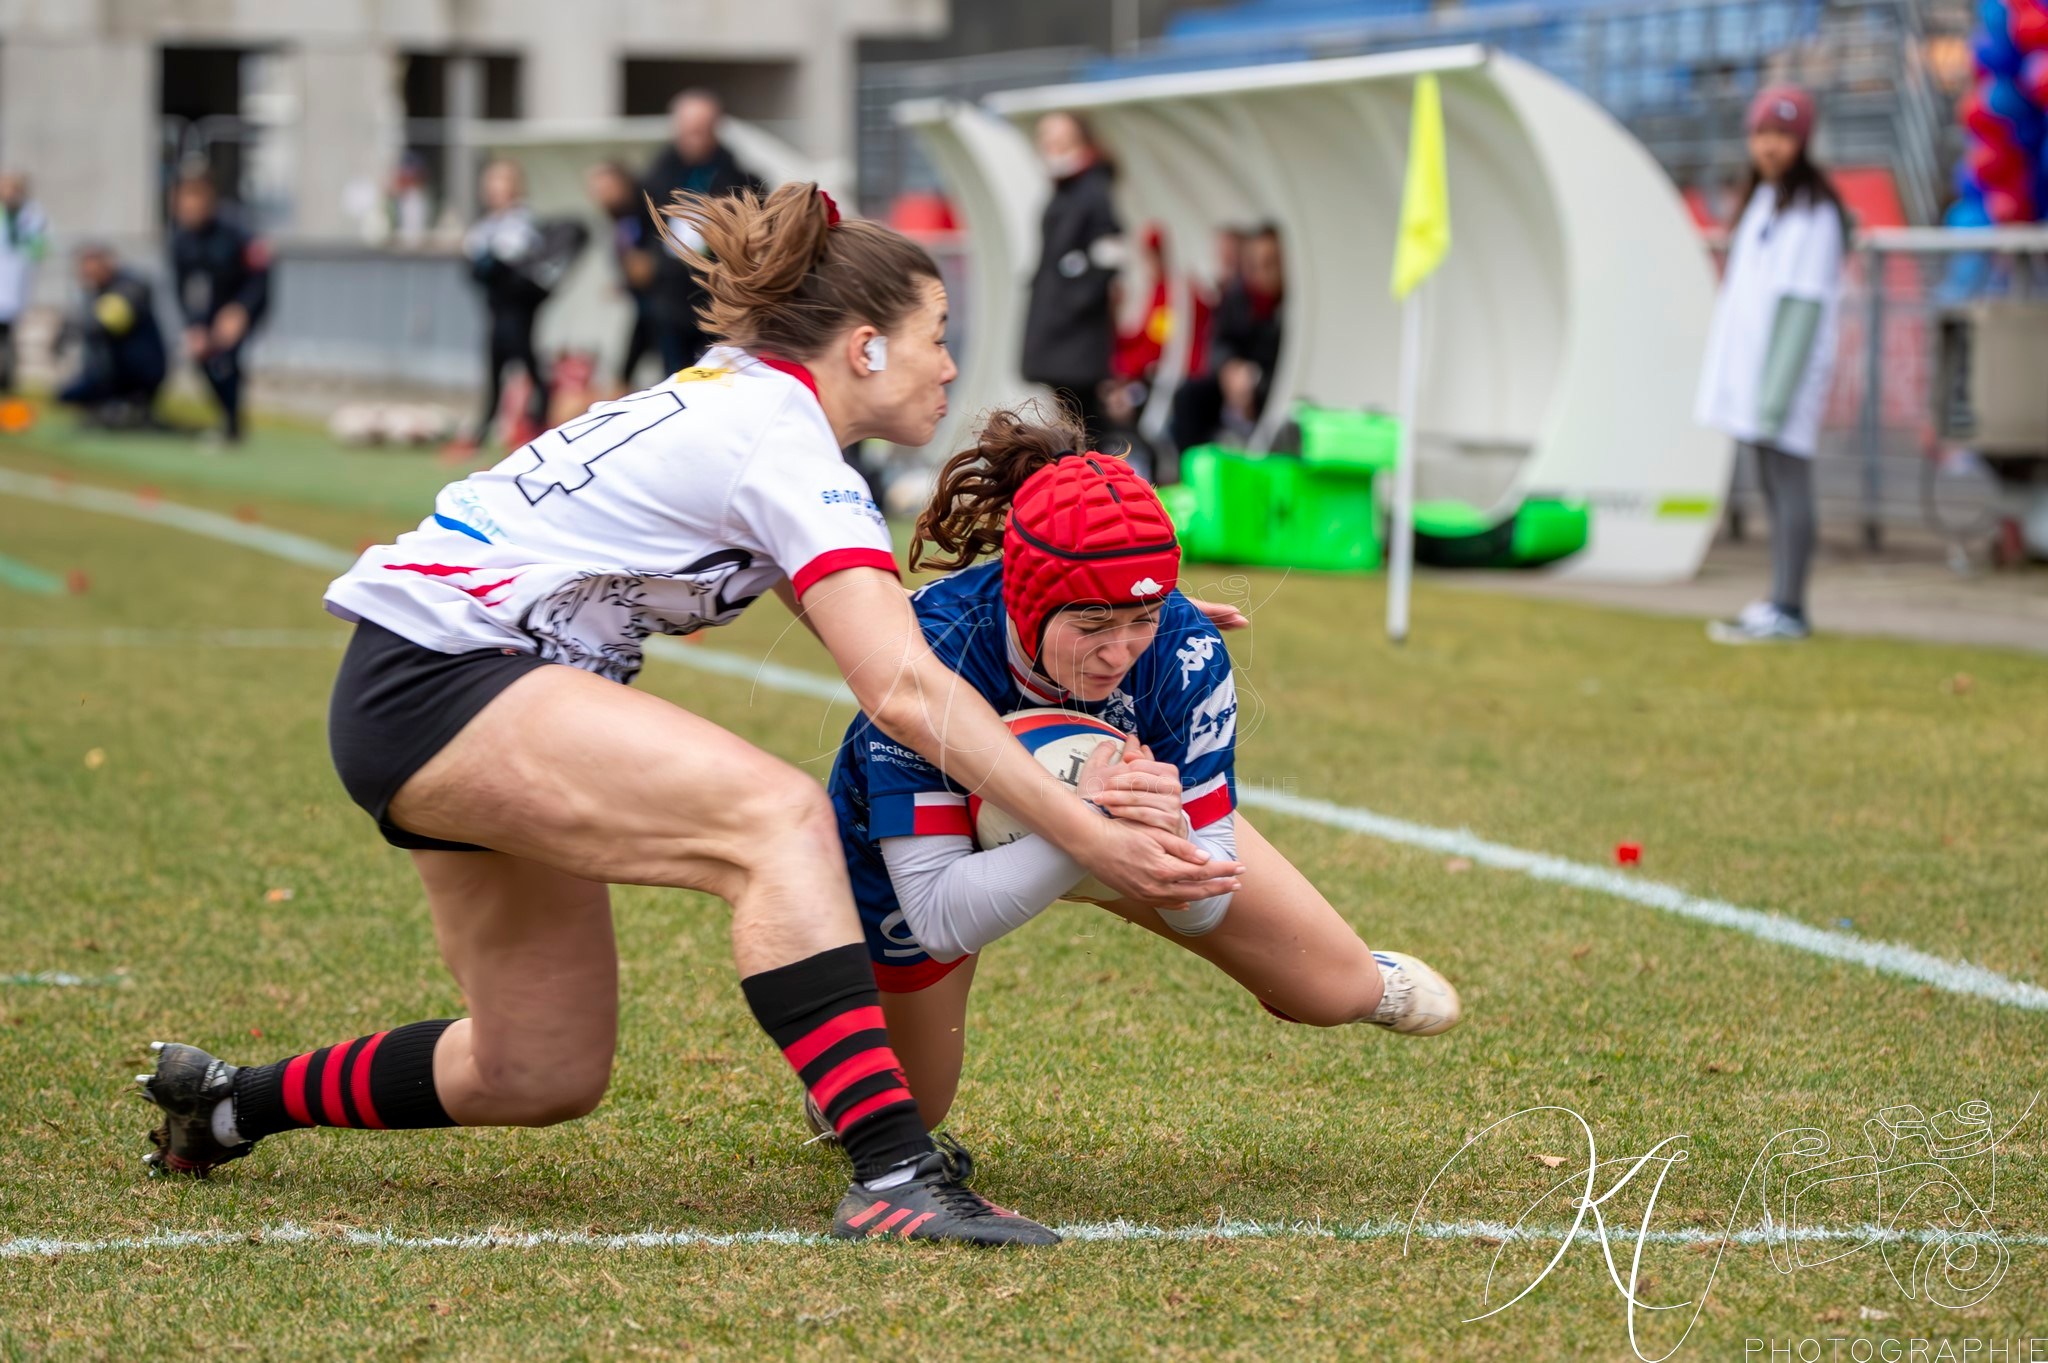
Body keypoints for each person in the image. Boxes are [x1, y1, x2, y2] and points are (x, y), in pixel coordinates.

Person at [135, 182, 1243, 1248]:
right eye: (937, 334)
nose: (951, 366)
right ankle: (894, 1174)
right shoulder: (783, 439)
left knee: (541, 1068)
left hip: (430, 687)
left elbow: (893, 638)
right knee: (775, 820)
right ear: (863, 345)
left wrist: (1106, 604)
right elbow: (901, 687)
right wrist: (1089, 833)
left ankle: (230, 1104)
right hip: (448, 676)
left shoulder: (745, 402)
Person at [819, 412, 1460, 1133]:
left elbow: (1203, 897)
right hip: (938, 856)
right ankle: (850, 1064)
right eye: (1091, 625)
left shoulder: (1181, 645)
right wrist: (1087, 824)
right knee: (902, 1113)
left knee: (1335, 987)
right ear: (1024, 599)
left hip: (1115, 830)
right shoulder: (930, 653)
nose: (1119, 651)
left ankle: (1356, 971)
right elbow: (938, 916)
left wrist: (1166, 826)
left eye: (1142, 617)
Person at [1696, 86, 1848, 645]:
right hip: (1755, 370)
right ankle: (1778, 597)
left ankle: (1791, 604)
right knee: (1770, 482)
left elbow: (1802, 308)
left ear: (1802, 141)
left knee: (1789, 482)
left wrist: (1776, 394)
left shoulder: (1816, 213)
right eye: (1763, 134)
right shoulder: (1763, 202)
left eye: (1782, 136)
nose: (1771, 147)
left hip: (1782, 375)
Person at [1020, 111, 1124, 448]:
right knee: (1072, 420)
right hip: (1061, 335)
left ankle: (1101, 486)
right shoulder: (1066, 190)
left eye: (1060, 141)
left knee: (1086, 423)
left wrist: (1070, 303)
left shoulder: (1092, 190)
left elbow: (1108, 256)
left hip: (1076, 338)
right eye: (1046, 141)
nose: (1051, 149)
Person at [642, 89, 764, 374]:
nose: (693, 138)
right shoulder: (656, 176)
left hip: (720, 294)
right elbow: (636, 226)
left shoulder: (739, 177)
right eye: (688, 131)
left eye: (701, 130)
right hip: (669, 294)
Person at [459, 159, 555, 451]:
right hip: (496, 309)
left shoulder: (521, 223)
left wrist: (490, 263)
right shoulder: (487, 226)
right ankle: (483, 429)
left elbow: (511, 262)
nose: (494, 189)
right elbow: (475, 262)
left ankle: (540, 425)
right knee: (494, 368)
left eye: (501, 182)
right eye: (491, 182)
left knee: (527, 363)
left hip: (518, 310)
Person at [168, 173, 271, 445]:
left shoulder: (236, 230)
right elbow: (182, 289)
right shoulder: (180, 240)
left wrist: (241, 310)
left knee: (227, 356)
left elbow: (261, 275)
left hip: (245, 300)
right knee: (202, 355)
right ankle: (228, 419)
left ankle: (233, 426)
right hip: (213, 305)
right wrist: (194, 326)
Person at [1168, 224, 1284, 454]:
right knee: (1189, 396)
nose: (1260, 274)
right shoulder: (1239, 296)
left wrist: (1254, 379)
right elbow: (1219, 342)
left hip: (1266, 383)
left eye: (1269, 265)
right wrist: (1230, 367)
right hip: (1234, 383)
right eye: (1254, 265)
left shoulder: (1286, 309)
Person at [55, 244, 166, 427]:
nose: (87, 276)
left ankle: (128, 407)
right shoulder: (94, 292)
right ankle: (108, 408)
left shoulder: (131, 286)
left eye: (92, 270)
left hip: (139, 368)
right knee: (66, 395)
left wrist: (76, 328)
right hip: (110, 370)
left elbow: (107, 320)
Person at [586, 160, 660, 391]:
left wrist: (649, 265)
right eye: (596, 191)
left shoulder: (643, 208)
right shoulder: (618, 217)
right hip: (644, 303)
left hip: (663, 306)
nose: (602, 196)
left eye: (606, 188)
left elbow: (647, 261)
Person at [0, 174, 49, 393]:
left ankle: (7, 384)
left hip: (14, 286)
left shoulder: (32, 215)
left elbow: (39, 248)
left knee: (8, 337)